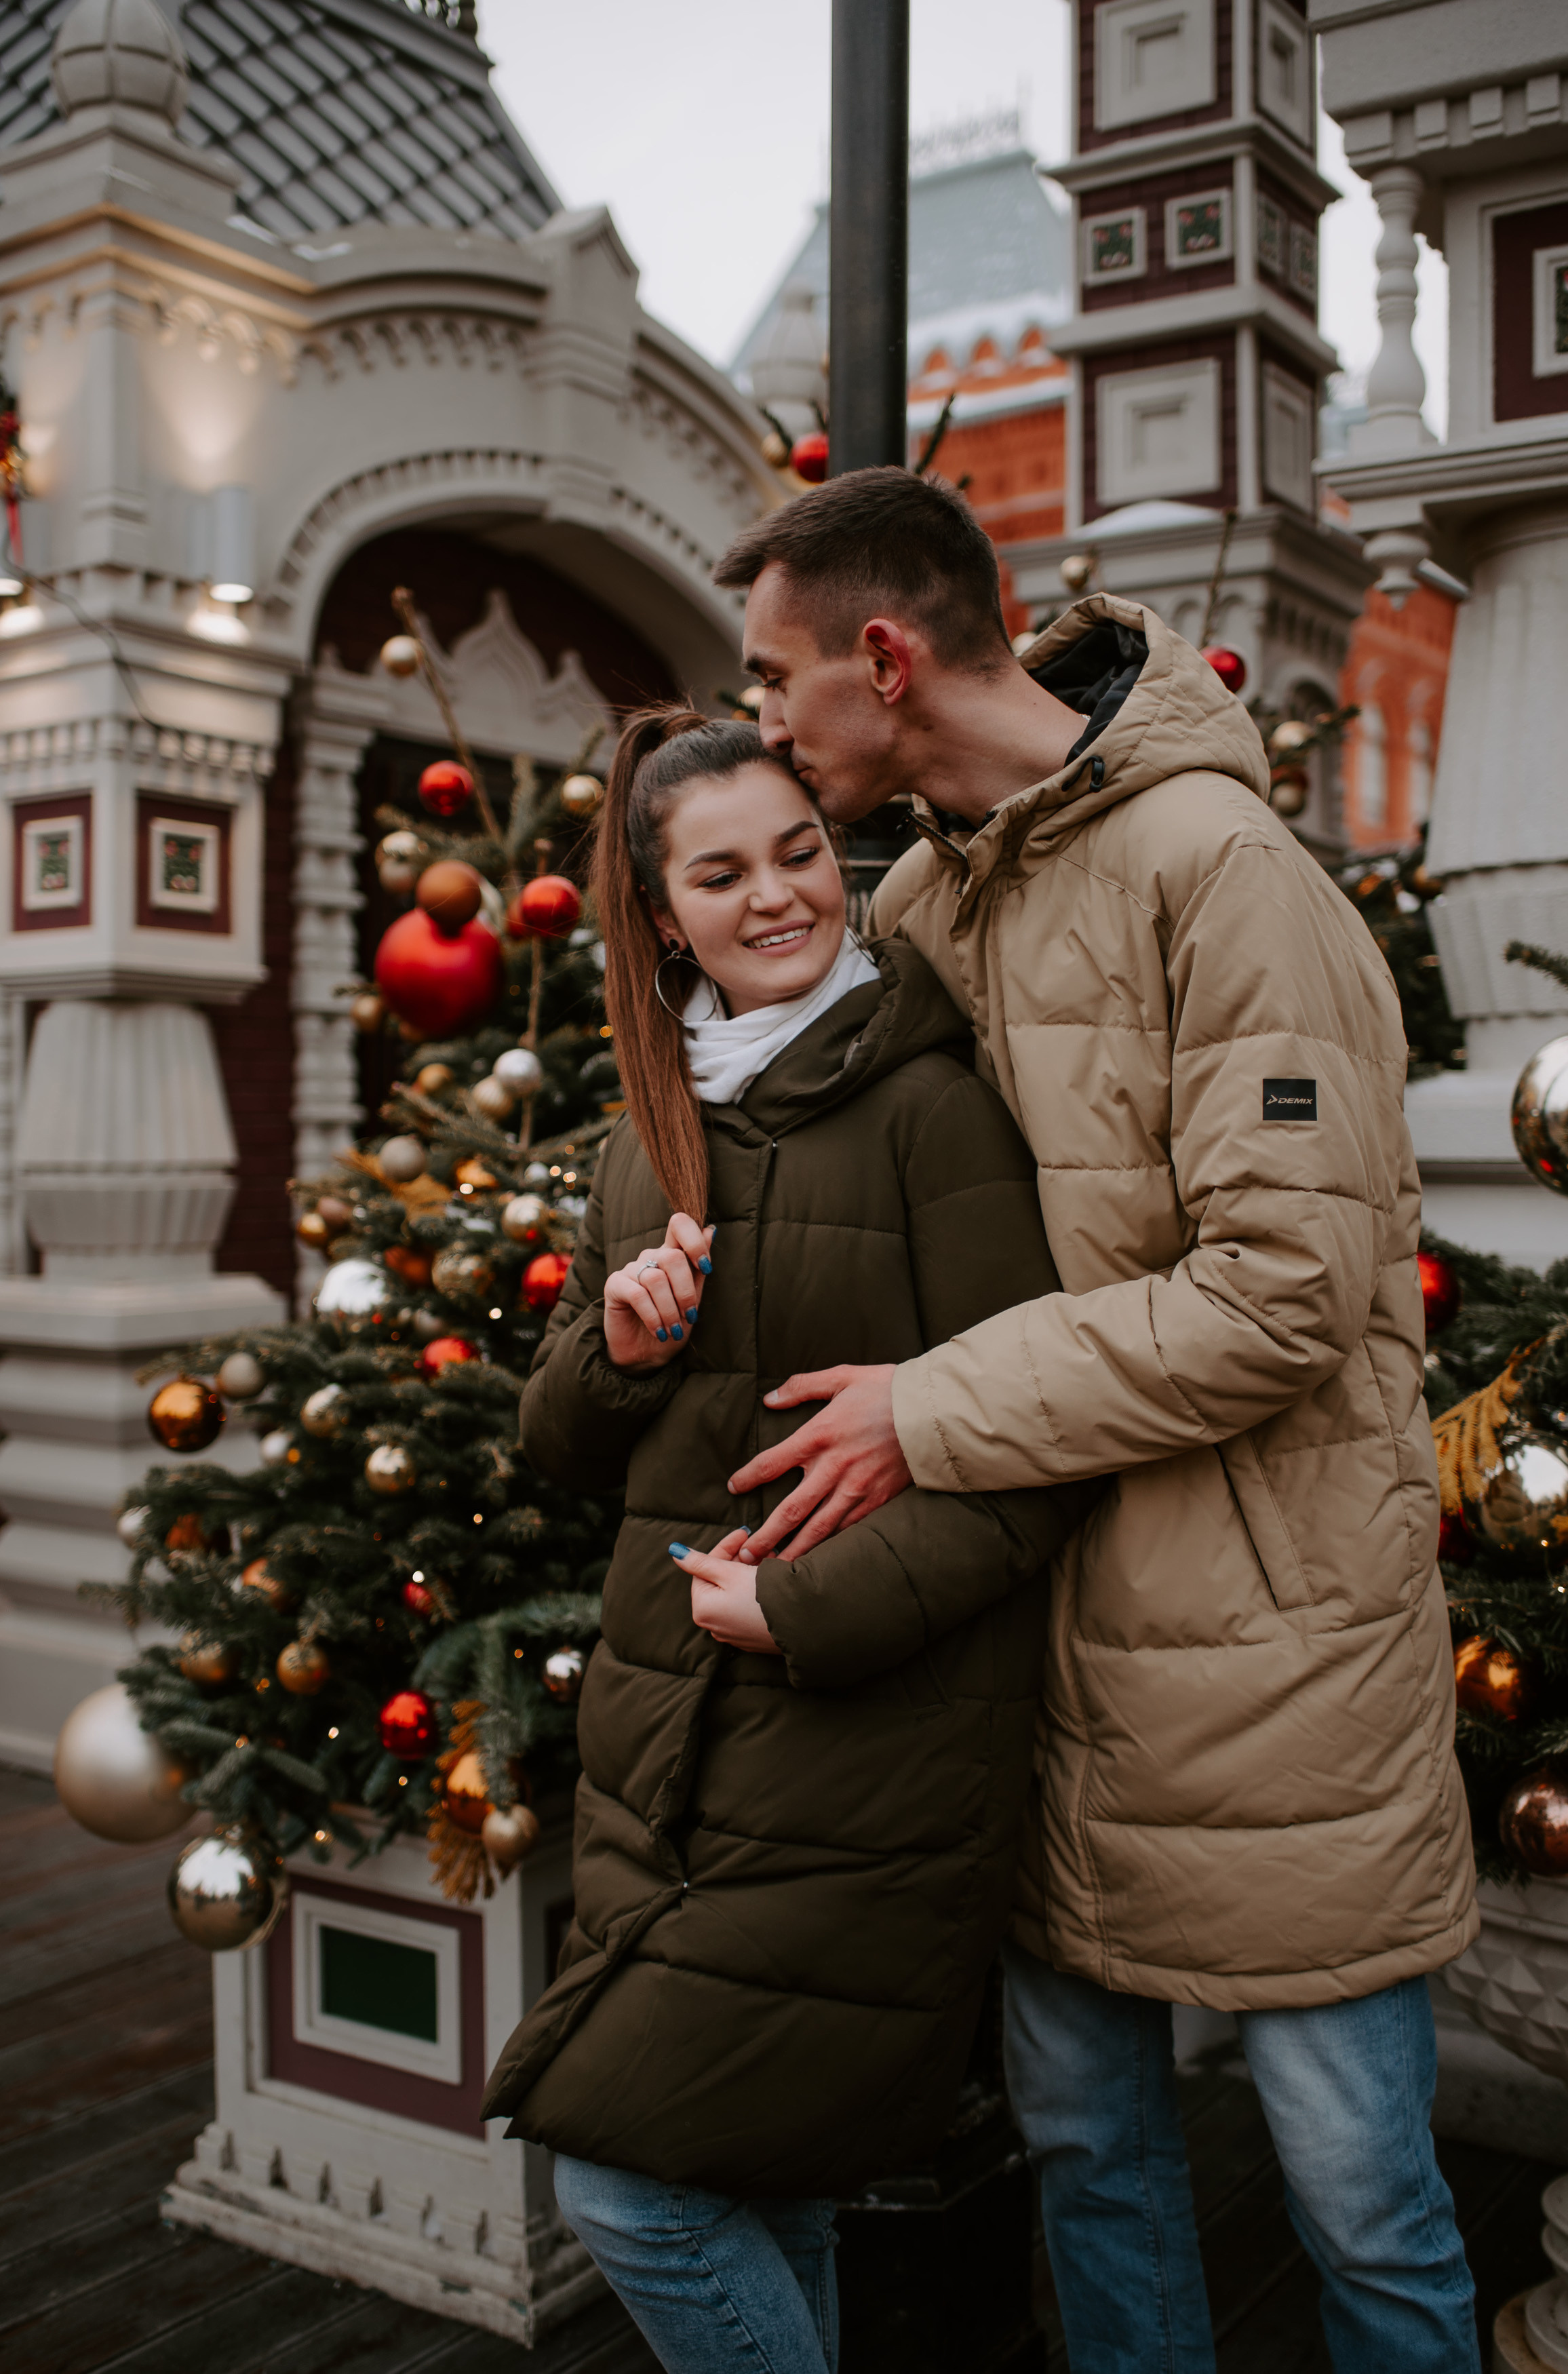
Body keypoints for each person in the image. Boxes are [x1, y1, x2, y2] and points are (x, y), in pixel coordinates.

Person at [708, 468, 1483, 2374]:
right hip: (1036, 1644)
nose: (760, 734)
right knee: (1089, 2159)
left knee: (1361, 2202)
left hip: (1270, 1660)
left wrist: (930, 1410)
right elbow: (843, 1177)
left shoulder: (1225, 875)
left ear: (882, 660)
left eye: (770, 683)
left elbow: (1282, 1295)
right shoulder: (920, 893)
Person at [480, 707, 1092, 2374]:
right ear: (659, 912)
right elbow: (556, 1452)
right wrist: (614, 1342)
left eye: (800, 851)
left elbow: (1035, 1460)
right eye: (721, 872)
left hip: (861, 1752)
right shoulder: (646, 1132)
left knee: (631, 2187)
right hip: (660, 1756)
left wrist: (803, 1611)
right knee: (771, 2191)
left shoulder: (930, 1111)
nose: (777, 897)